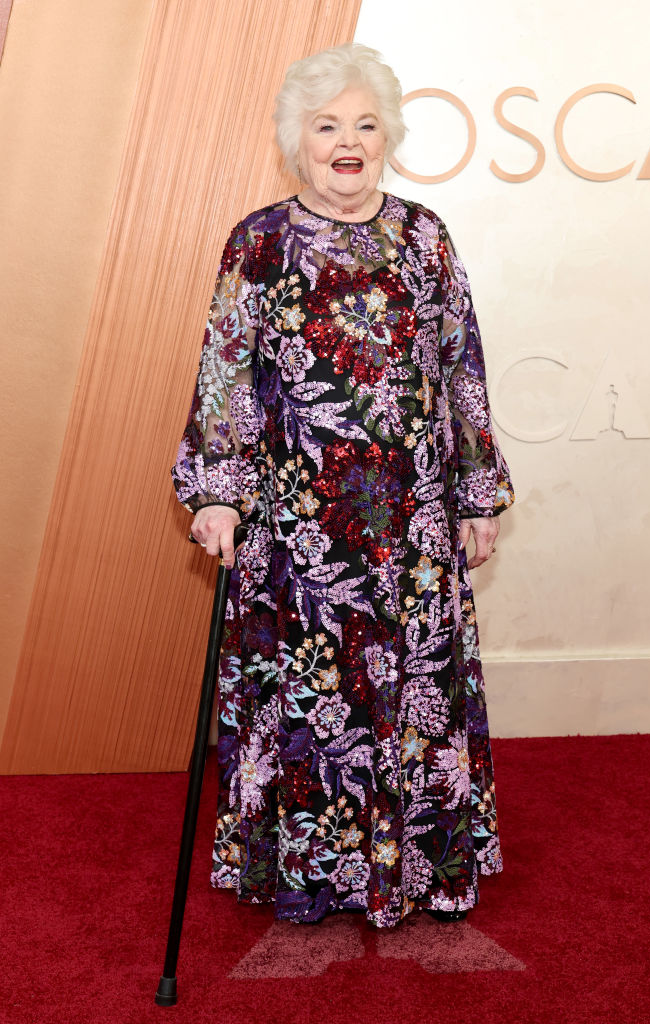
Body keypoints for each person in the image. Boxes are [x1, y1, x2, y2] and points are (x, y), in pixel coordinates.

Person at [172, 42, 514, 928]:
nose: (347, 142)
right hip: (297, 524)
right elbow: (225, 373)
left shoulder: (425, 237)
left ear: (388, 136)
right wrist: (218, 491)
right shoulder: (259, 241)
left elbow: (461, 368)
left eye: (365, 124)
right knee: (312, 698)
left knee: (411, 687)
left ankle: (414, 866)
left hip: (412, 517)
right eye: (327, 126)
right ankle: (313, 872)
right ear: (299, 140)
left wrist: (475, 493)